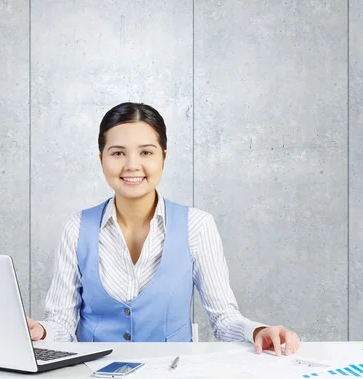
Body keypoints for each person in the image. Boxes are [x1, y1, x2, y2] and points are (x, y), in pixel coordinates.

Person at [27, 102, 300, 355]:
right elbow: (62, 323)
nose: (132, 165)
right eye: (118, 153)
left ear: (163, 157)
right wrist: (41, 331)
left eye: (146, 152)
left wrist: (258, 330)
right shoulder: (75, 228)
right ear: (102, 159)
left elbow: (224, 318)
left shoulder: (197, 226)